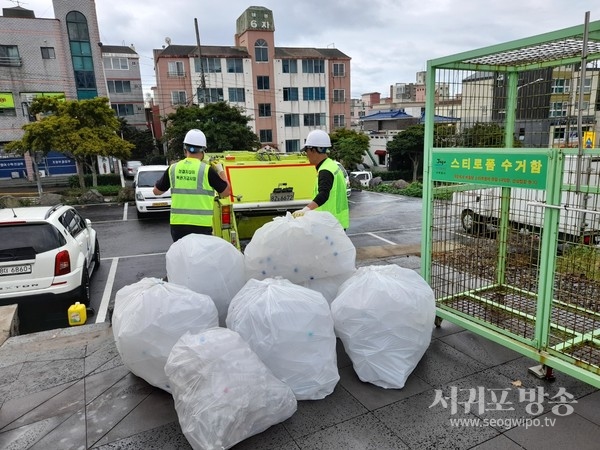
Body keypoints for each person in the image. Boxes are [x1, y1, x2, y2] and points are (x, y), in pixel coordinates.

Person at [153, 129, 231, 242]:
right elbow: (226, 192)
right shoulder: (206, 170)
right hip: (201, 226)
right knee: (200, 258)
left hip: (177, 226)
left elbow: (157, 191)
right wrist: (220, 171)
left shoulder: (173, 168)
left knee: (182, 257)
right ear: (203, 150)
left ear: (185, 149)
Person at [293, 130, 350, 229]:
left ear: (314, 150)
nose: (306, 154)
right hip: (336, 222)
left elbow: (323, 195)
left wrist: (305, 210)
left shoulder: (325, 171)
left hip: (329, 224)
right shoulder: (333, 165)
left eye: (307, 151)